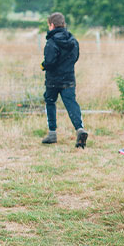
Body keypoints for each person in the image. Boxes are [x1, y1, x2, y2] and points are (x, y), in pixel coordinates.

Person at [40, 12, 88, 148]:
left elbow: (49, 62)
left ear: (52, 25)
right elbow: (75, 57)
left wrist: (43, 65)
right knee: (71, 103)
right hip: (68, 78)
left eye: (49, 25)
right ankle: (79, 129)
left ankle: (52, 133)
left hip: (53, 80)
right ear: (64, 24)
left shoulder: (51, 42)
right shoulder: (73, 41)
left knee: (50, 102)